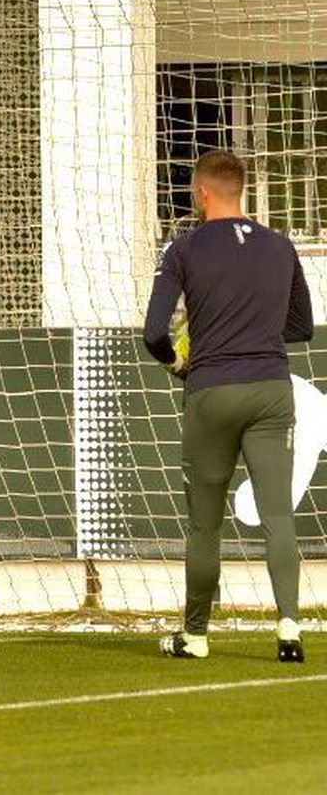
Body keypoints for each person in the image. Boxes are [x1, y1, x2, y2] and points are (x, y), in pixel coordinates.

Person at [143, 149, 313, 663]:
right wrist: (255, 333)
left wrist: (179, 362)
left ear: (202, 193)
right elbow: (301, 326)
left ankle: (194, 636)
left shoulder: (183, 248)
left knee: (205, 524)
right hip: (270, 390)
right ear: (241, 191)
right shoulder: (280, 246)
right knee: (279, 515)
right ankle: (288, 629)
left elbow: (153, 334)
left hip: (211, 390)